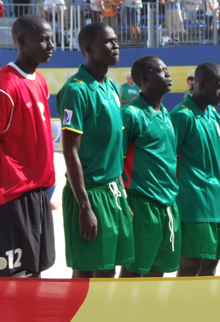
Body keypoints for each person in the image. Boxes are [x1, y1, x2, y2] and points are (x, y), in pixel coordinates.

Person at [0, 15, 56, 278]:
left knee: (36, 271)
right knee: (9, 279)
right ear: (21, 41)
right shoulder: (2, 87)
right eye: (43, 39)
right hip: (8, 197)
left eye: (51, 38)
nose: (51, 45)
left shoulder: (40, 81)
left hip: (37, 194)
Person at [58, 22, 134, 278]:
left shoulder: (112, 87)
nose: (116, 45)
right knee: (86, 273)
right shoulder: (75, 91)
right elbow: (70, 152)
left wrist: (122, 195)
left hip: (113, 192)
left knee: (108, 271)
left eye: (116, 40)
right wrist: (85, 207)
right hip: (89, 193)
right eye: (109, 42)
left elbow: (112, 149)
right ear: (88, 48)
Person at [119, 56, 181, 278]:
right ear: (144, 78)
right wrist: (123, 203)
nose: (168, 74)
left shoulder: (166, 113)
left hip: (169, 205)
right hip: (141, 204)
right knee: (133, 273)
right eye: (162, 71)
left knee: (158, 274)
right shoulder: (130, 114)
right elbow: (117, 161)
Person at [172, 62, 220, 276]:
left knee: (211, 265)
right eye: (219, 86)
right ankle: (182, 310)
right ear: (202, 84)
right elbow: (170, 160)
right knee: (190, 266)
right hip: (193, 204)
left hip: (216, 201)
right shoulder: (182, 116)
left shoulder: (213, 115)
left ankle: (203, 310)